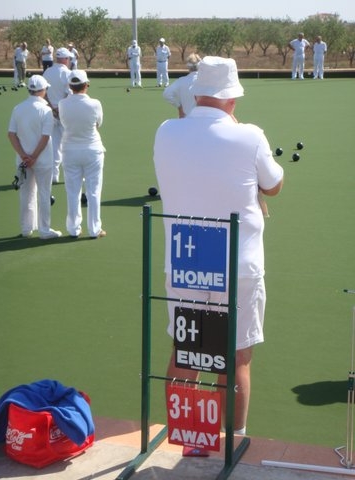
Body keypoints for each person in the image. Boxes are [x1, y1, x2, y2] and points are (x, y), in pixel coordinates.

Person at [154, 56, 284, 440]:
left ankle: (187, 436)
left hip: (186, 260)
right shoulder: (250, 135)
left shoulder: (166, 131)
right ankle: (234, 440)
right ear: (232, 98)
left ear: (197, 93)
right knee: (236, 356)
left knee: (186, 353)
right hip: (237, 264)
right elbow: (273, 184)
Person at [8, 75, 62, 240]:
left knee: (26, 194)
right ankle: (44, 230)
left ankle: (26, 229)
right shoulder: (45, 110)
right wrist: (33, 157)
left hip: (23, 161)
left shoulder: (18, 108)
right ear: (42, 91)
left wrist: (24, 156)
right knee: (44, 194)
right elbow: (45, 137)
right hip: (42, 160)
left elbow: (11, 135)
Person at [58, 70, 106, 239]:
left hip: (70, 150)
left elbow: (64, 122)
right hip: (92, 150)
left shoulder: (62, 104)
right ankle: (94, 229)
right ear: (86, 85)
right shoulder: (95, 103)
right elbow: (98, 123)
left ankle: (73, 229)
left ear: (71, 86)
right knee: (94, 191)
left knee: (72, 191)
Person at [43, 47, 72, 183]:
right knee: (67, 144)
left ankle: (54, 175)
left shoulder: (47, 71)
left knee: (54, 145)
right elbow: (68, 93)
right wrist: (59, 109)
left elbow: (44, 93)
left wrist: (52, 107)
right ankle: (69, 174)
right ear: (65, 59)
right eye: (69, 58)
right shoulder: (68, 73)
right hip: (64, 113)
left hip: (50, 112)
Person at [163, 52, 201, 117]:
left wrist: (179, 106)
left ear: (188, 67)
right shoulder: (207, 81)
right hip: (203, 121)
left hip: (185, 119)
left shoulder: (181, 81)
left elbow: (166, 93)